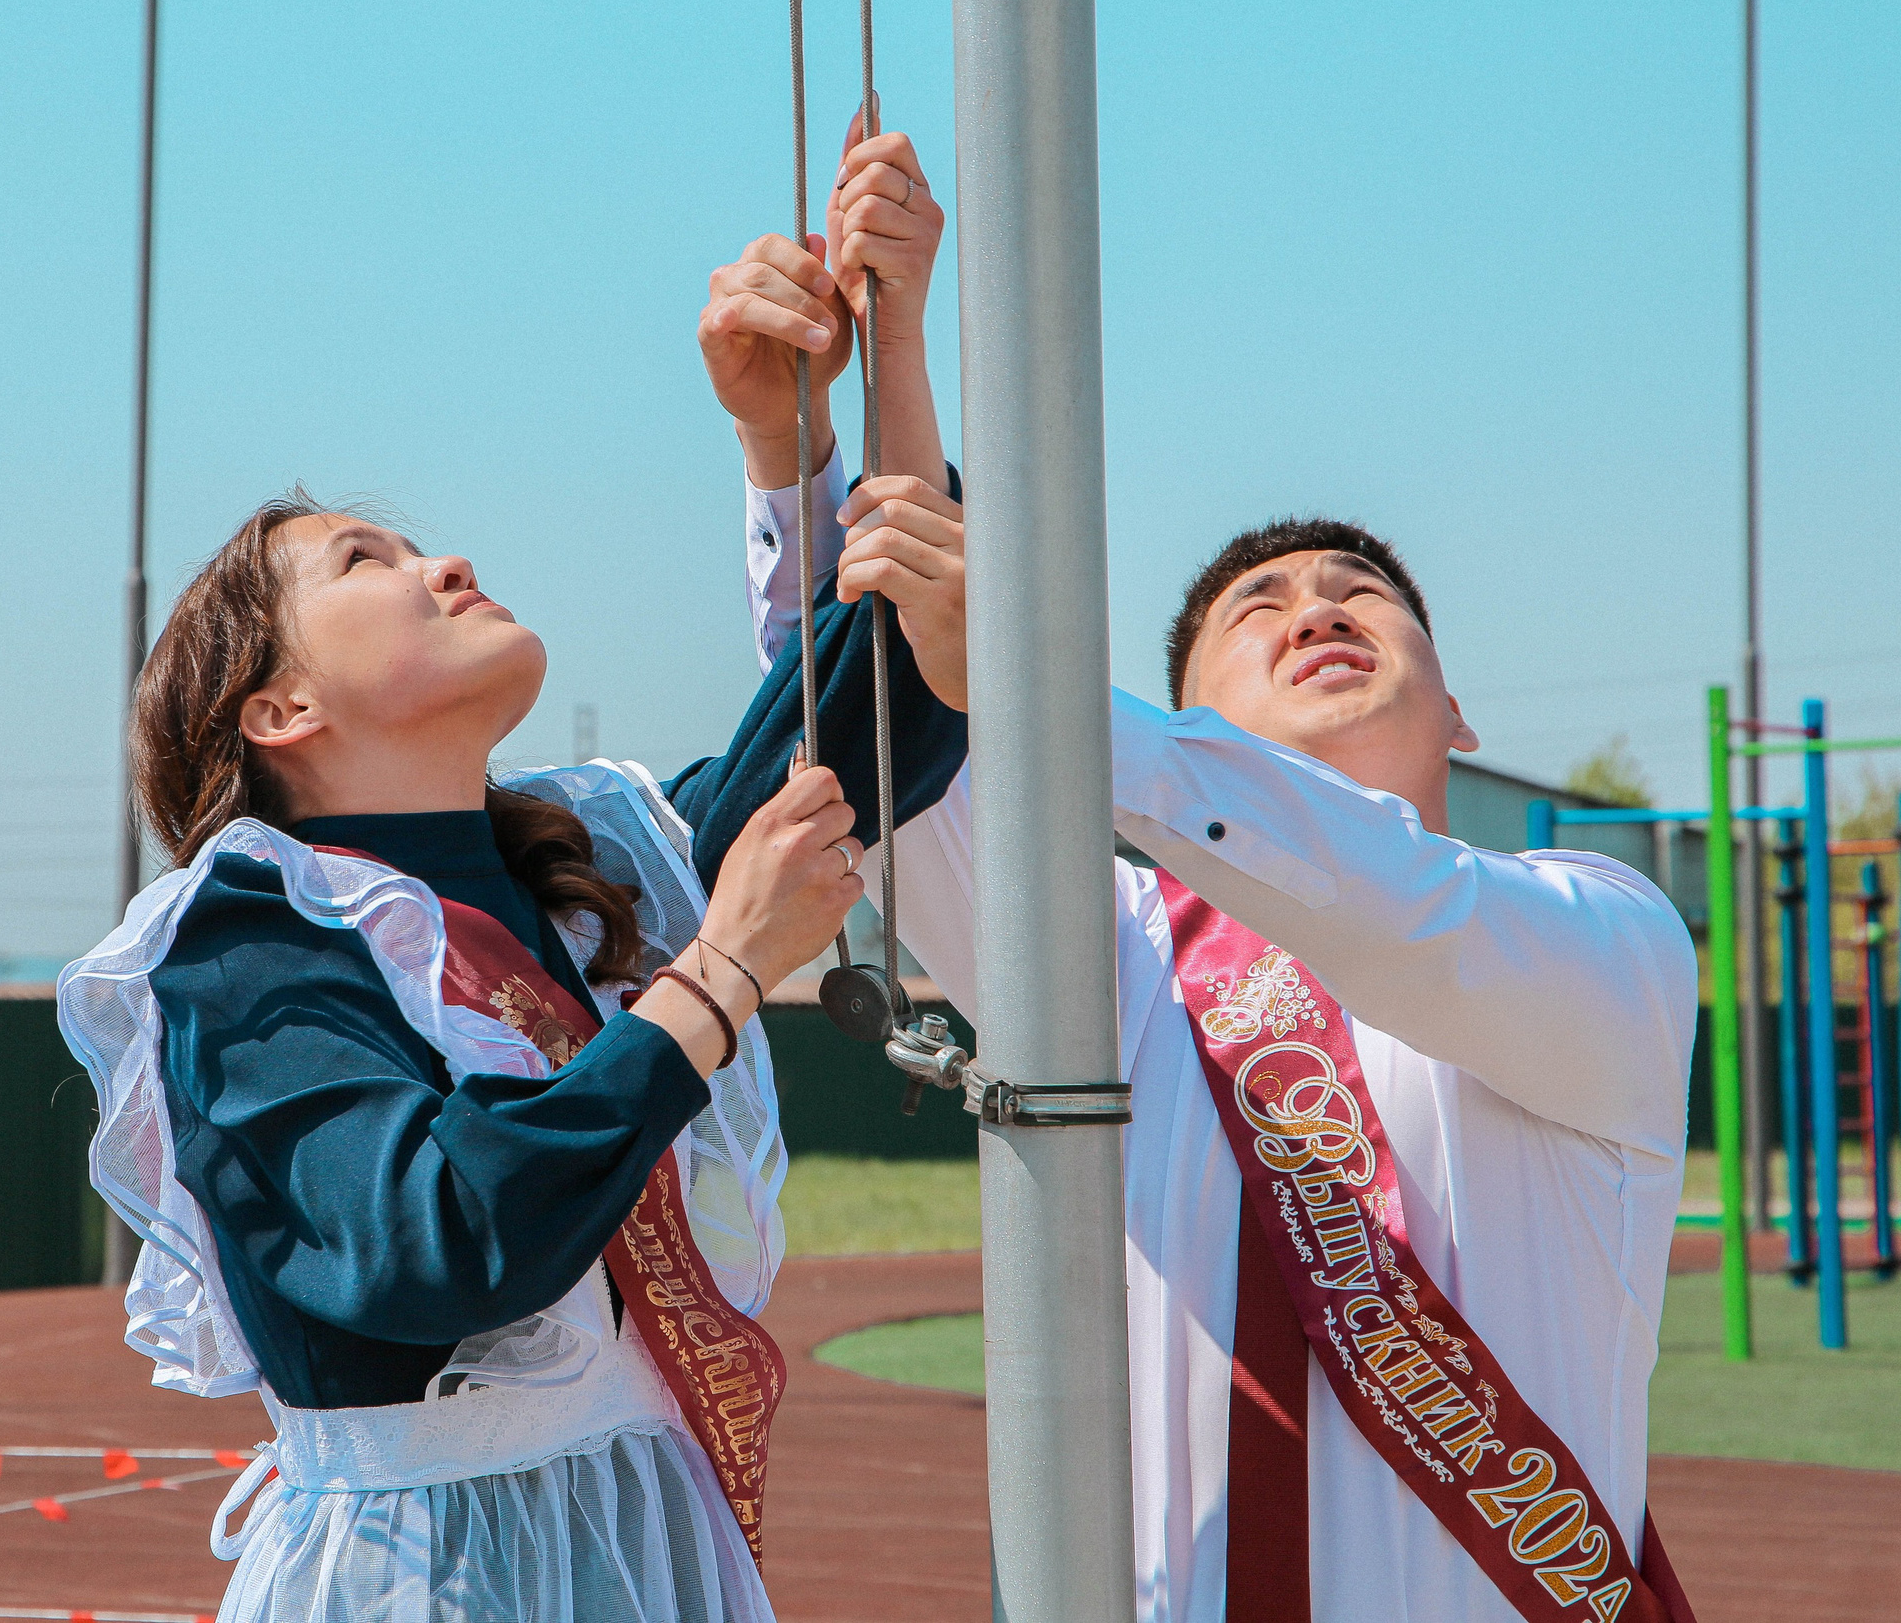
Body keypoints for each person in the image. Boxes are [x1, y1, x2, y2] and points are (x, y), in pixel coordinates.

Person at [700, 122, 1698, 1623]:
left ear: (1462, 714)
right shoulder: (1100, 952)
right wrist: (825, 417)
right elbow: (882, 768)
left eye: (1365, 592)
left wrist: (1032, 683)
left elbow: (1394, 905)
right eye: (1259, 604)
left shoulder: (1600, 938)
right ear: (1189, 717)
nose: (1317, 605)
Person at [58, 483, 968, 1622]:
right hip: (426, 1575)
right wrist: (723, 971)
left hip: (643, 1538)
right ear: (280, 706)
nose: (444, 563)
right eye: (360, 559)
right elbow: (429, 1240)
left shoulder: (595, 871)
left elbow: (875, 718)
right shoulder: (250, 937)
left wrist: (819, 401)